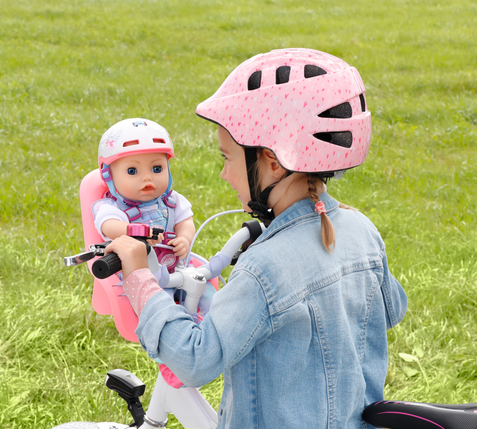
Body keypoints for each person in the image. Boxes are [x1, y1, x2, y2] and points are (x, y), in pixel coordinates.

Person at [105, 49, 408, 428]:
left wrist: (139, 277)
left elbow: (196, 360)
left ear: (272, 161)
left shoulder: (262, 270)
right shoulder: (361, 228)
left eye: (228, 158)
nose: (224, 175)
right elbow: (391, 310)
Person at [94, 118, 195, 263]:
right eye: (132, 171)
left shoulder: (172, 201)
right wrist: (138, 232)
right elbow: (110, 227)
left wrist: (184, 238)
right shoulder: (113, 208)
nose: (147, 178)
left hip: (178, 271)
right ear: (108, 175)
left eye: (157, 169)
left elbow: (185, 221)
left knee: (205, 283)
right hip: (136, 276)